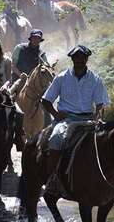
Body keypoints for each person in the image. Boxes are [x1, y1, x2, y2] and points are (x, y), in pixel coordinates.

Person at [41, 45, 110, 174]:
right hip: (67, 120)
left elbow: (100, 104)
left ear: (87, 59)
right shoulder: (62, 78)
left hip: (89, 120)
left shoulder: (95, 80)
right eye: (77, 58)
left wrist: (98, 117)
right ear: (72, 60)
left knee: (109, 141)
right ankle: (52, 179)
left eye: (83, 58)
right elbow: (46, 100)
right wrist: (56, 114)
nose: (80, 61)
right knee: (56, 139)